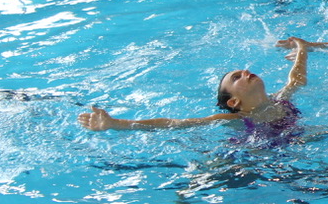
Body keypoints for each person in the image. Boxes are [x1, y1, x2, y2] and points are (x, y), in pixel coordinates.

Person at [78, 39, 312, 141]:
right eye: (236, 77)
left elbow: (297, 78)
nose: (246, 71)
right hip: (248, 158)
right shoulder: (236, 119)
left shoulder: (279, 100)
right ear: (234, 102)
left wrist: (302, 48)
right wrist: (116, 124)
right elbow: (174, 123)